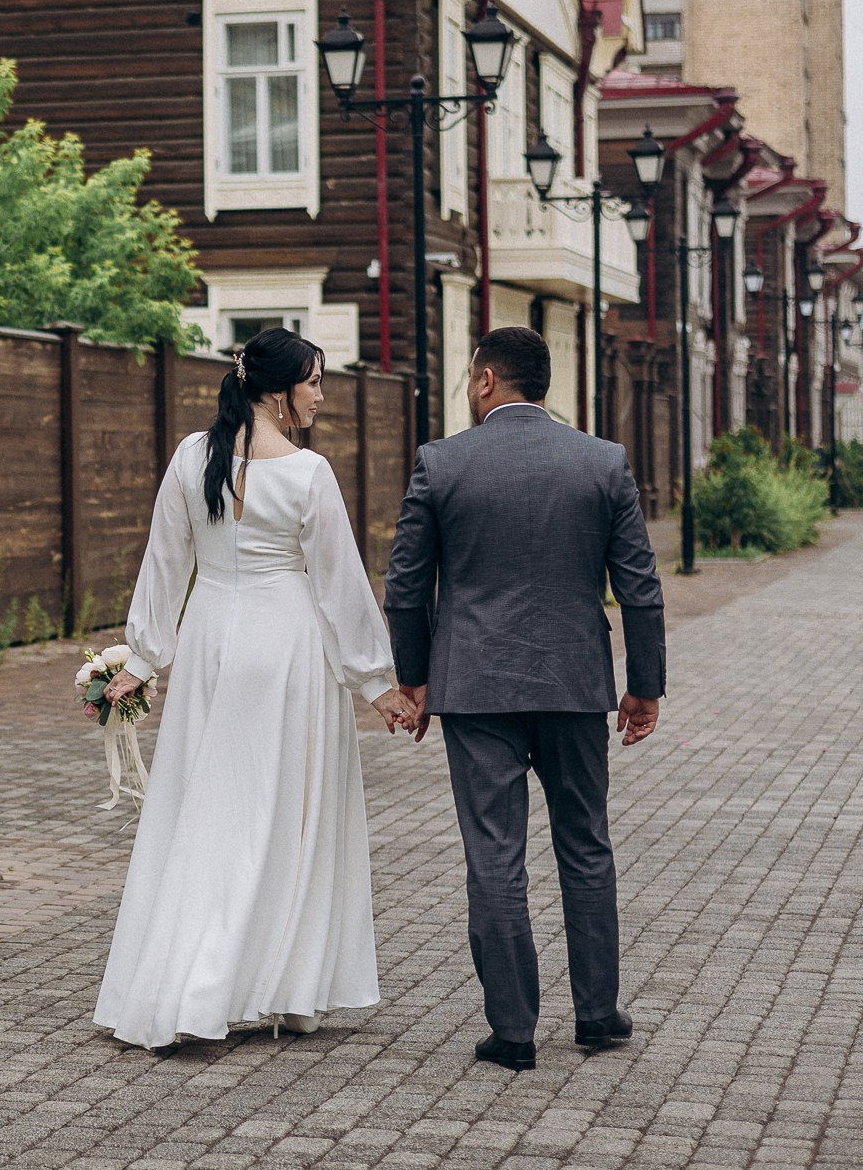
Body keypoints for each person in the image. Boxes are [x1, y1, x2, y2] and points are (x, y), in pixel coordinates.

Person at [95, 327, 405, 1049]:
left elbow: (164, 565)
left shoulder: (190, 459)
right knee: (283, 812)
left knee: (205, 808)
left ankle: (195, 977)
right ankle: (278, 984)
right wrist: (377, 682)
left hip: (209, 642)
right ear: (276, 388)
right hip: (287, 648)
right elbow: (339, 585)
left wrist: (141, 661)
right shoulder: (306, 472)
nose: (322, 396)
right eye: (314, 382)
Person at [381, 327, 666, 1073]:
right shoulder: (602, 462)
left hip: (476, 688)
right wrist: (644, 685)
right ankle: (598, 1014)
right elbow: (640, 585)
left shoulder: (442, 463)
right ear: (543, 388)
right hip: (575, 684)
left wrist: (414, 679)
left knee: (494, 856)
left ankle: (512, 1031)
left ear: (484, 381)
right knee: (585, 843)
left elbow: (407, 584)